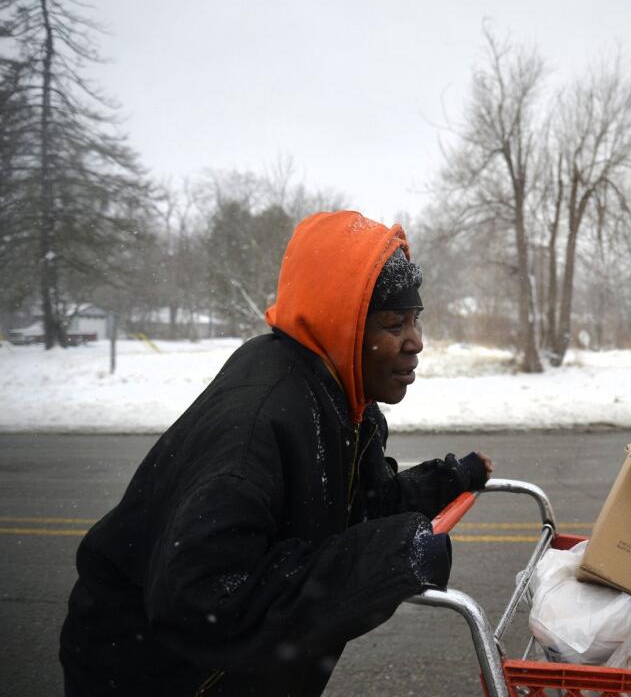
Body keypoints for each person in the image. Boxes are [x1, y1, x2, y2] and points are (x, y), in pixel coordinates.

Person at [60, 211, 492, 696]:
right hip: (154, 677)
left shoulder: (344, 401)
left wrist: (449, 479)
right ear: (341, 323)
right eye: (394, 322)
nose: (416, 342)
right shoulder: (257, 425)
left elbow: (358, 505)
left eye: (415, 319)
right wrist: (386, 559)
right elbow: (205, 598)